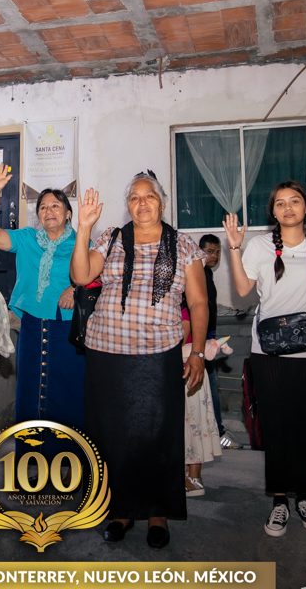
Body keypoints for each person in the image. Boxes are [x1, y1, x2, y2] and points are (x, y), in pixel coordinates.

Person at [70, 171, 208, 550]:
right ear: (127, 205)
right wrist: (84, 228)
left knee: (156, 433)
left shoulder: (182, 245)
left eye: (149, 196)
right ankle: (120, 510)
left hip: (157, 353)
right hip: (106, 351)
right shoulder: (112, 237)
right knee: (114, 434)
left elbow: (198, 302)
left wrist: (197, 352)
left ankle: (157, 512)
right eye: (134, 197)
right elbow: (81, 276)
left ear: (161, 202)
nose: (142, 203)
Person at [223, 180, 306, 538]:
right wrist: (234, 247)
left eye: (295, 201)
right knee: (275, 425)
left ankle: (304, 497)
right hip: (268, 352)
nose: (288, 207)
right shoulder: (259, 246)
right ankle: (278, 500)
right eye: (280, 203)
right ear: (273, 212)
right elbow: (243, 290)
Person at [0, 164, 82, 428]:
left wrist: (76, 288)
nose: (49, 211)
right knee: (30, 387)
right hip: (31, 324)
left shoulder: (81, 243)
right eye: (43, 207)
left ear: (68, 214)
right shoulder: (27, 238)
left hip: (67, 326)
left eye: (56, 206)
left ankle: (68, 449)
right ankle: (32, 448)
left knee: (67, 388)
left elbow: (100, 274)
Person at [199, 233, 241, 450]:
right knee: (211, 384)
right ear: (199, 252)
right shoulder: (197, 273)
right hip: (200, 337)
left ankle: (214, 431)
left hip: (209, 334)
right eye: (209, 251)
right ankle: (218, 433)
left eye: (217, 252)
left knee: (208, 385)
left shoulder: (207, 273)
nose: (214, 256)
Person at [181, 304, 223, 498]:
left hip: (188, 369)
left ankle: (194, 477)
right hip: (182, 369)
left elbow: (179, 339)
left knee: (193, 424)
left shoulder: (184, 309)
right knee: (184, 425)